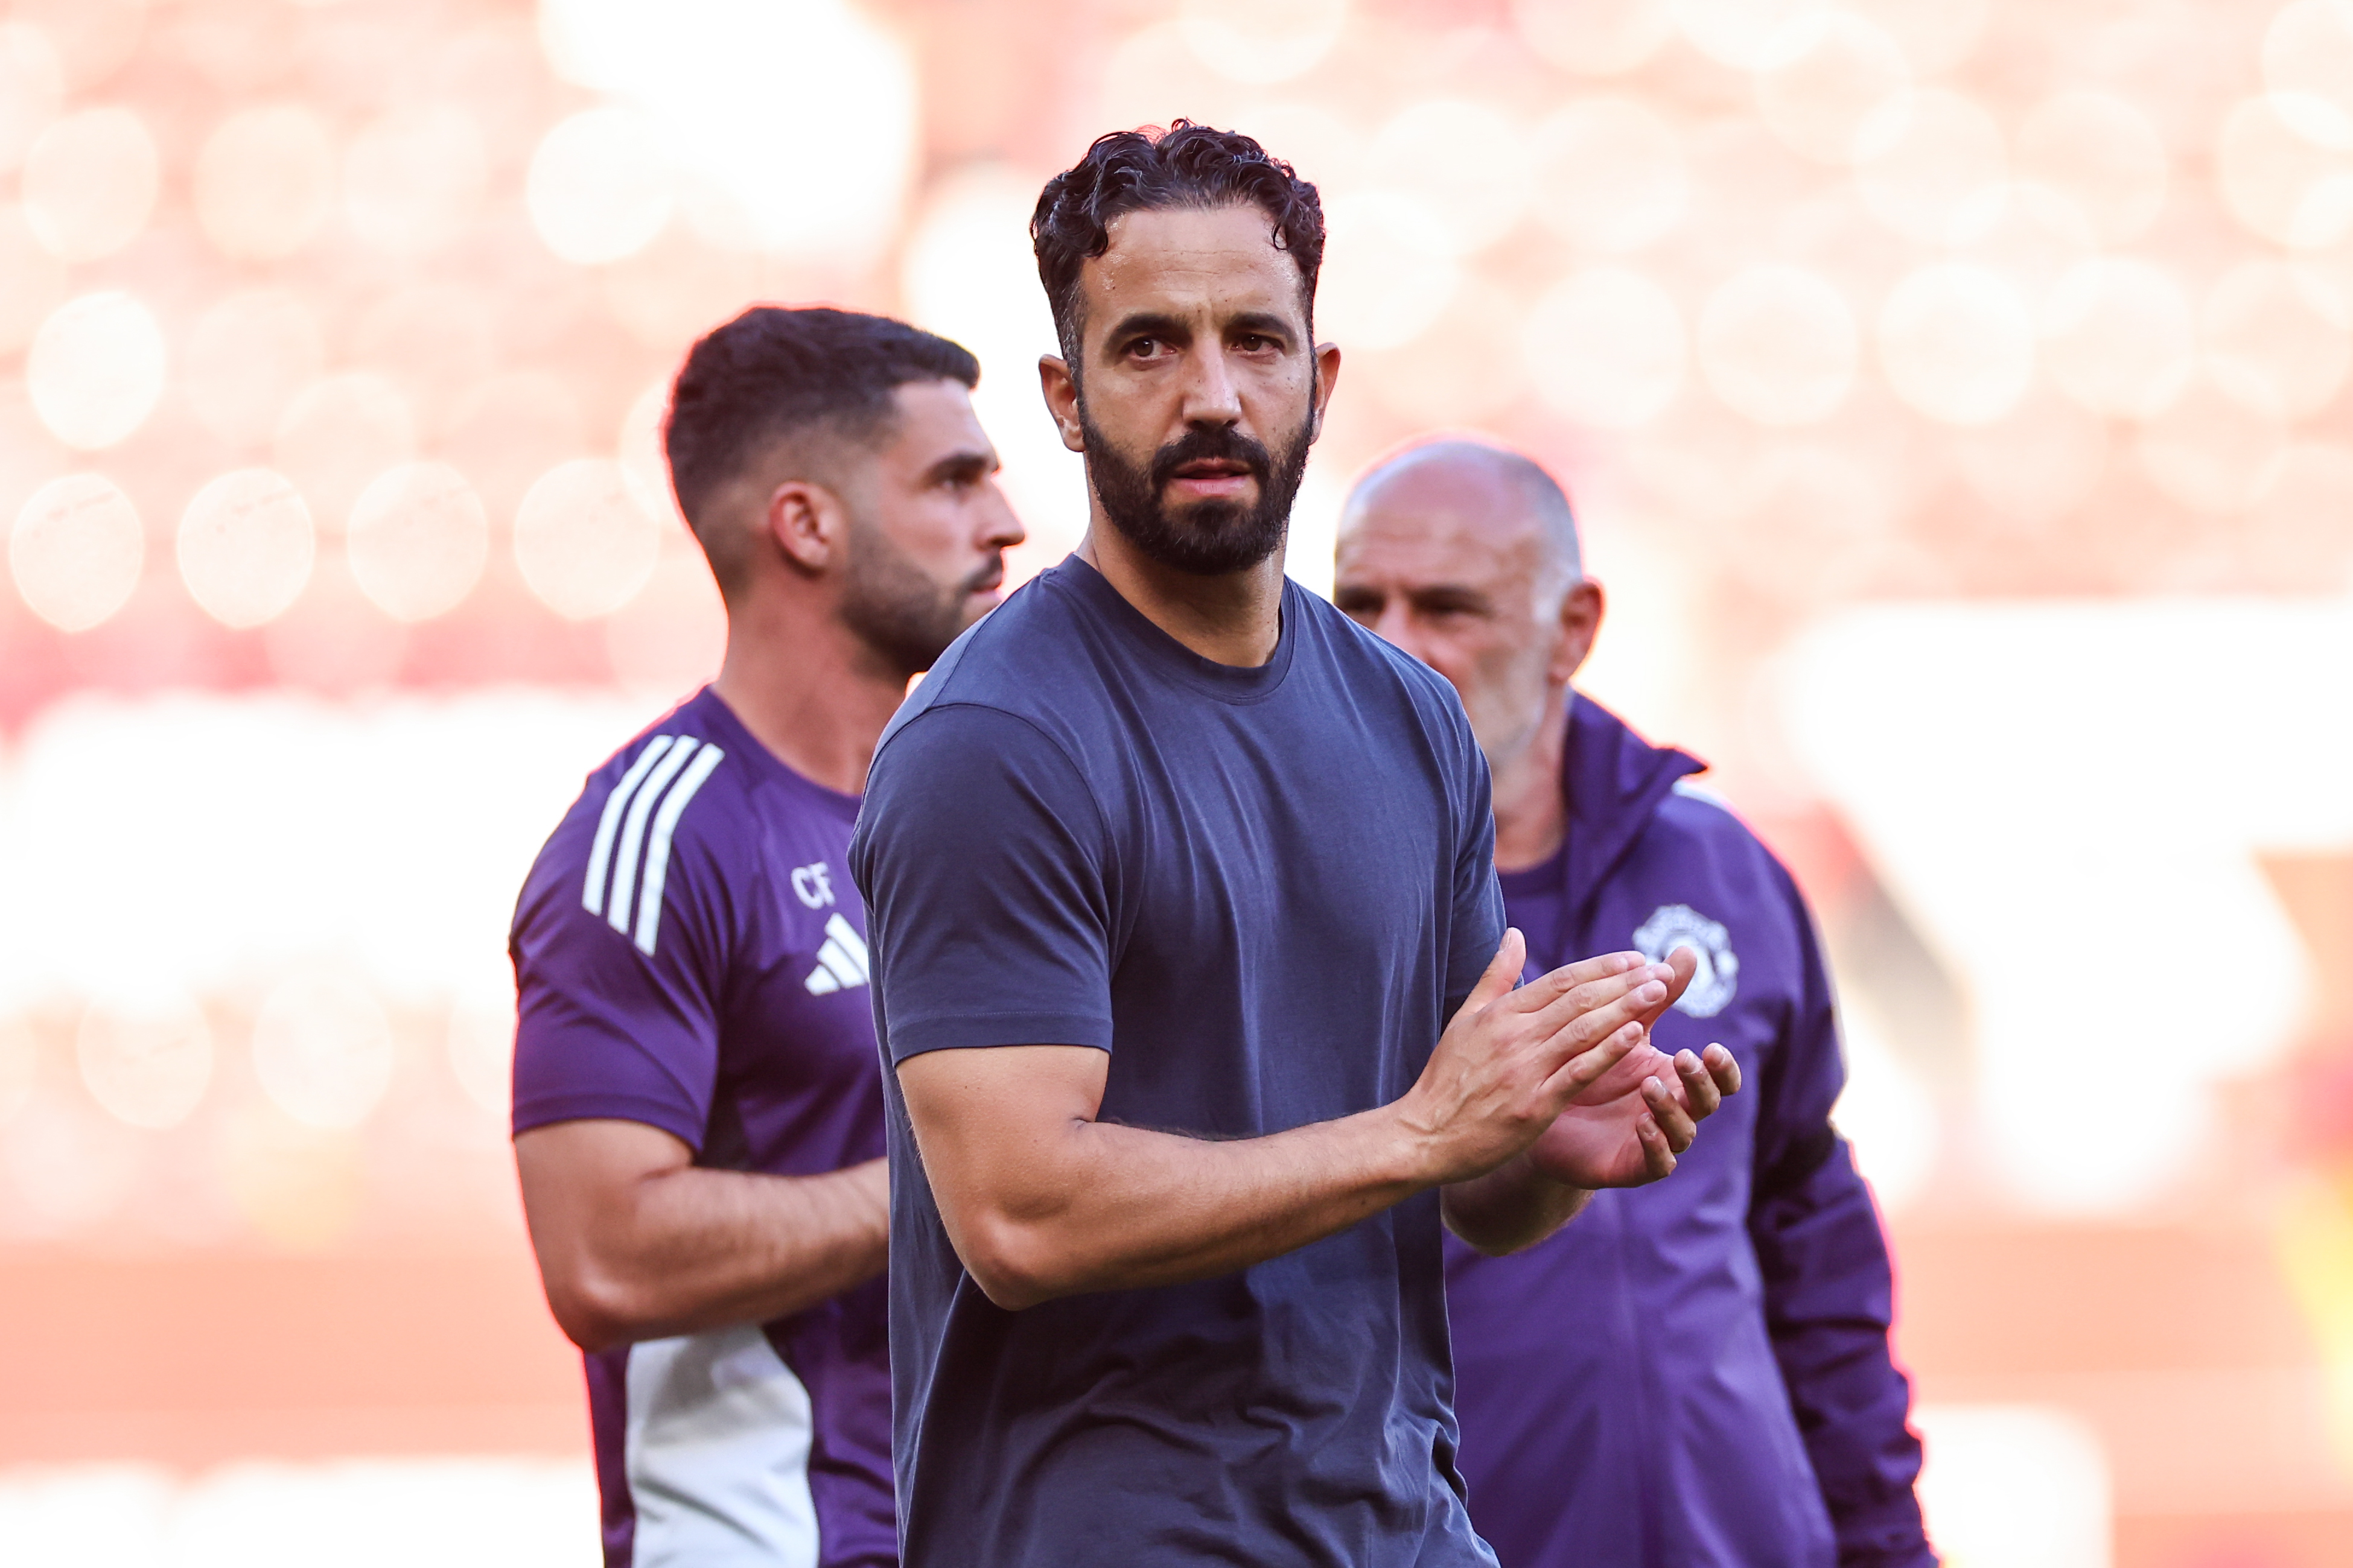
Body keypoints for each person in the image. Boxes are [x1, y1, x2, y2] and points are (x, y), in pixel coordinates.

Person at [847, 123, 1744, 1568]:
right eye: (1150, 347)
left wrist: (1547, 1152)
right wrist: (1425, 1133)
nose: (1213, 394)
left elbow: (1463, 1182)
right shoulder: (993, 740)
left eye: (1256, 341)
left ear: (1318, 381)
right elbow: (1017, 1213)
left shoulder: (1411, 721)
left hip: (1395, 1528)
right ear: (1067, 401)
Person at [1334, 437, 1935, 1568]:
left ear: (1573, 629)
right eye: (1362, 602)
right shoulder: (1288, 901)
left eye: (1448, 607)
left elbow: (1815, 1256)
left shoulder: (1726, 875)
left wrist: (1882, 1546)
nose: (1395, 646)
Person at [507, 305, 1024, 1568]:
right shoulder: (657, 835)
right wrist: (997, 1184)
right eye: (954, 483)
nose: (1005, 523)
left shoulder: (984, 816)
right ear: (805, 524)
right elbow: (602, 1255)